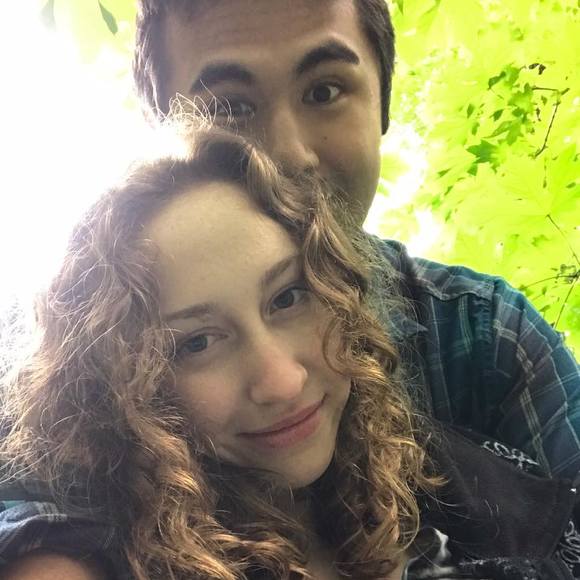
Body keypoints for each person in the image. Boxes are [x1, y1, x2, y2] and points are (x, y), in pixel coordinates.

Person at [0, 129, 578, 579]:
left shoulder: (455, 474)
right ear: (118, 392)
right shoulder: (84, 556)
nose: (281, 381)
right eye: (196, 343)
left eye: (288, 297)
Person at [131, 0, 580, 479]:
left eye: (324, 92)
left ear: (382, 103)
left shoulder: (489, 340)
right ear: (165, 143)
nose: (290, 155)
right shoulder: (102, 375)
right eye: (230, 108)